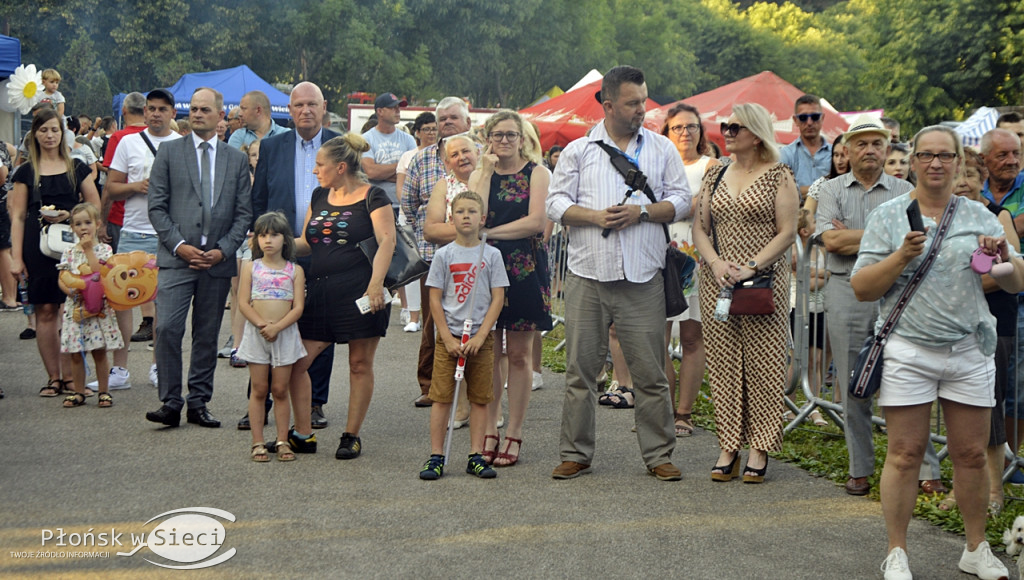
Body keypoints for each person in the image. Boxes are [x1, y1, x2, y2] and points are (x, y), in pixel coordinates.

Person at [852, 125, 1018, 580]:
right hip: (909, 346)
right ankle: (896, 552)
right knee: (905, 453)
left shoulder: (980, 215)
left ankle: (975, 548)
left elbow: (1014, 280)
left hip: (969, 348)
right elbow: (863, 288)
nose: (936, 164)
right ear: (914, 160)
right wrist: (900, 257)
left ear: (959, 163)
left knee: (969, 454)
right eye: (927, 156)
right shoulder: (890, 216)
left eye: (946, 156)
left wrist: (1002, 255)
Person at [545, 66, 689, 481]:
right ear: (608, 105)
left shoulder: (661, 149)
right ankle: (575, 453)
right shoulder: (578, 151)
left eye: (644, 100)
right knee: (580, 372)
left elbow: (682, 201)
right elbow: (556, 204)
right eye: (632, 102)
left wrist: (641, 212)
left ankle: (659, 454)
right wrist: (595, 217)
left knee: (650, 372)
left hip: (643, 277)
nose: (642, 109)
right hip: (587, 276)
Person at [816, 115, 942, 497]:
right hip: (845, 291)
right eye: (861, 144)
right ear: (848, 151)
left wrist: (855, 237)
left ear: (887, 149)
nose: (870, 150)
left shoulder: (906, 189)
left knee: (910, 379)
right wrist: (888, 239)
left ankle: (925, 466)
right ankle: (860, 468)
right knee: (854, 384)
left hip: (899, 293)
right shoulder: (831, 189)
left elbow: (917, 241)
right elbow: (831, 243)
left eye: (876, 143)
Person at [692, 103, 798, 484]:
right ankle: (728, 445)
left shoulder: (779, 175)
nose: (727, 132)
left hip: (763, 280)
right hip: (718, 282)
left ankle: (759, 446)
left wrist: (751, 265)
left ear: (756, 132)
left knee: (764, 364)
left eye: (735, 127)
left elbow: (787, 231)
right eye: (725, 126)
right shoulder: (715, 172)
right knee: (722, 363)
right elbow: (700, 228)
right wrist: (718, 264)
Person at [145, 87, 252, 429]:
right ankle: (171, 400)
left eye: (205, 109)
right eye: (192, 108)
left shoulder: (234, 159)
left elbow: (243, 213)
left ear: (221, 115)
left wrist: (223, 249)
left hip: (217, 261)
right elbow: (156, 207)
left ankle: (198, 401)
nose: (196, 114)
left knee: (206, 334)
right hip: (177, 259)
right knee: (167, 327)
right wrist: (179, 245)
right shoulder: (168, 152)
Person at [291, 133, 395, 460]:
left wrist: (376, 284)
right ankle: (302, 433)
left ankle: (351, 435)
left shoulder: (373, 196)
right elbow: (307, 243)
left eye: (319, 165)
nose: (314, 171)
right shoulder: (320, 195)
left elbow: (387, 241)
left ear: (340, 167)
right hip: (320, 292)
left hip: (362, 293)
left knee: (359, 364)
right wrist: (271, 243)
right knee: (297, 364)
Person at [250, 81, 341, 432]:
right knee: (268, 323)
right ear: (288, 110)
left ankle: (315, 402)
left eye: (312, 104)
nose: (305, 110)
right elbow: (259, 200)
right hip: (279, 254)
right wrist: (260, 248)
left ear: (323, 107)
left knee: (318, 328)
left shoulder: (340, 145)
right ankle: (260, 402)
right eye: (298, 105)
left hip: (325, 253)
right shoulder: (272, 147)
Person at [938, 149, 1018, 516]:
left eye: (972, 174)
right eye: (960, 174)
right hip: (948, 327)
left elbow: (1007, 277)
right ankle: (961, 487)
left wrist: (954, 286)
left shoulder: (995, 217)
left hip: (993, 325)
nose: (965, 181)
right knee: (956, 413)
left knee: (991, 406)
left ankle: (993, 490)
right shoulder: (938, 222)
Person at [469, 110, 551, 467]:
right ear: (488, 138)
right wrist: (485, 173)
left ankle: (514, 432)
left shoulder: (538, 173)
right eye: (497, 135)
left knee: (518, 354)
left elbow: (535, 222)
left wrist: (490, 235)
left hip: (524, 267)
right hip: (485, 269)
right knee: (489, 353)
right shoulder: (479, 173)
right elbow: (473, 215)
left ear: (523, 138)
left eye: (511, 135)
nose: (504, 141)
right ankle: (489, 427)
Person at [9, 108, 101, 397]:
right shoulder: (26, 171)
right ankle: (54, 377)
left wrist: (74, 220)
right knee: (45, 310)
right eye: (43, 130)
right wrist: (16, 257)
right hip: (37, 245)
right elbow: (19, 216)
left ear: (63, 133)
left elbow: (95, 206)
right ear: (34, 134)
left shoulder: (77, 167)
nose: (49, 135)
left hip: (74, 245)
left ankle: (74, 377)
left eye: (54, 130)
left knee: (74, 310)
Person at [419, 190, 509, 480]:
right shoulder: (444, 255)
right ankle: (436, 455)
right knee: (442, 397)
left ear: (482, 218)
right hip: (451, 338)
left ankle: (476, 455)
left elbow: (498, 297)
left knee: (480, 398)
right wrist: (444, 336)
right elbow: (434, 298)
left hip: (479, 341)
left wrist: (482, 335)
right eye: (460, 211)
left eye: (472, 211)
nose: (466, 216)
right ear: (451, 217)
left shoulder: (492, 254)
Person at [98, 88, 180, 391]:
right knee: (122, 301)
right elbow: (112, 188)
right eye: (151, 108)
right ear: (143, 112)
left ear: (172, 113)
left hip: (168, 235)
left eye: (162, 109)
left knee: (164, 307)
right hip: (133, 231)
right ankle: (119, 369)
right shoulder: (128, 142)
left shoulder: (181, 144)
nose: (156, 113)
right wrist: (137, 186)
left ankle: (159, 366)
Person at [401, 97, 474, 408]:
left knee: (475, 321)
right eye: (441, 118)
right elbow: (408, 204)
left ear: (468, 123)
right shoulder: (422, 159)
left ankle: (474, 387)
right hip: (434, 255)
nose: (446, 123)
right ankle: (430, 385)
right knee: (434, 323)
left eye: (453, 118)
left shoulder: (480, 157)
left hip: (476, 257)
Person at [661, 102, 720, 437]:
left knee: (692, 336)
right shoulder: (658, 166)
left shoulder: (711, 166)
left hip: (696, 256)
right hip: (658, 253)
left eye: (691, 127)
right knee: (657, 336)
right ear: (667, 133)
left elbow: (702, 207)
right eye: (677, 127)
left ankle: (684, 412)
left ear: (700, 131)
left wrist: (670, 207)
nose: (685, 133)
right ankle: (663, 408)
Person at [237, 211, 307, 462]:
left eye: (274, 235)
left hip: (285, 334)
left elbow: (298, 307)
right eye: (263, 235)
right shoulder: (250, 267)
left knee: (280, 389)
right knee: (259, 388)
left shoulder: (295, 271)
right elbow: (243, 302)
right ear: (255, 240)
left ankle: (281, 440)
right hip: (257, 335)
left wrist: (277, 327)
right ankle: (257, 442)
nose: (268, 240)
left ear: (285, 239)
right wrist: (261, 325)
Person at [55, 203, 123, 408]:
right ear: (72, 228)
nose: (83, 227)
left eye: (87, 222)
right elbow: (62, 277)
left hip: (97, 309)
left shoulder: (104, 249)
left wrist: (88, 250)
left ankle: (104, 391)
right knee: (76, 353)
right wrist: (71, 291)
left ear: (97, 224)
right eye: (78, 224)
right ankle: (78, 392)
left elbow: (100, 274)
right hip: (75, 308)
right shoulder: (68, 251)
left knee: (99, 351)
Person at [395, 112, 438, 333]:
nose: (431, 133)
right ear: (418, 132)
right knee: (413, 269)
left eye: (434, 128)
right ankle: (413, 315)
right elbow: (402, 189)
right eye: (427, 129)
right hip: (410, 217)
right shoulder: (409, 156)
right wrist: (410, 215)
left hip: (435, 223)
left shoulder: (443, 154)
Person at [361, 92, 416, 209]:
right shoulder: (366, 139)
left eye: (398, 107)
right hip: (375, 205)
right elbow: (370, 171)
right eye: (393, 108)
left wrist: (380, 174)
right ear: (380, 111)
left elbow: (413, 175)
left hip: (403, 206)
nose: (398, 111)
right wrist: (402, 166)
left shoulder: (408, 139)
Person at [780, 94, 831, 199]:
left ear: (822, 118)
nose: (809, 122)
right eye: (803, 118)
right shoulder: (785, 154)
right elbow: (782, 192)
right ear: (795, 120)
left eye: (815, 117)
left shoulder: (836, 153)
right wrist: (825, 188)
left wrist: (800, 190)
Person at [802, 134, 849, 217]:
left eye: (843, 155)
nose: (839, 161)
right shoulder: (822, 184)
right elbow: (805, 218)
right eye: (836, 155)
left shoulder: (861, 184)